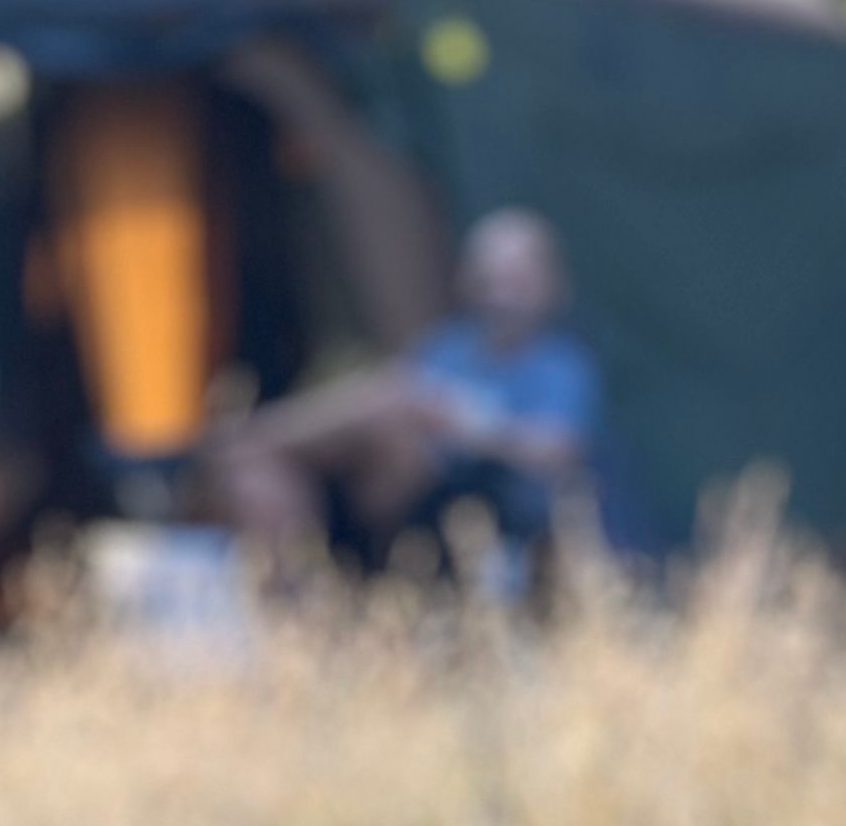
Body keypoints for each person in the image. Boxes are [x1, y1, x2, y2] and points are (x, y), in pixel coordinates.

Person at [211, 206, 603, 570]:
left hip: (452, 490)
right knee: (257, 475)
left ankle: (250, 435)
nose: (501, 295)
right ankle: (300, 598)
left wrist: (466, 425)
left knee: (387, 401)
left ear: (549, 285)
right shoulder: (450, 345)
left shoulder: (560, 365)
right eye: (489, 280)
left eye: (516, 281)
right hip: (373, 479)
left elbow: (557, 449)